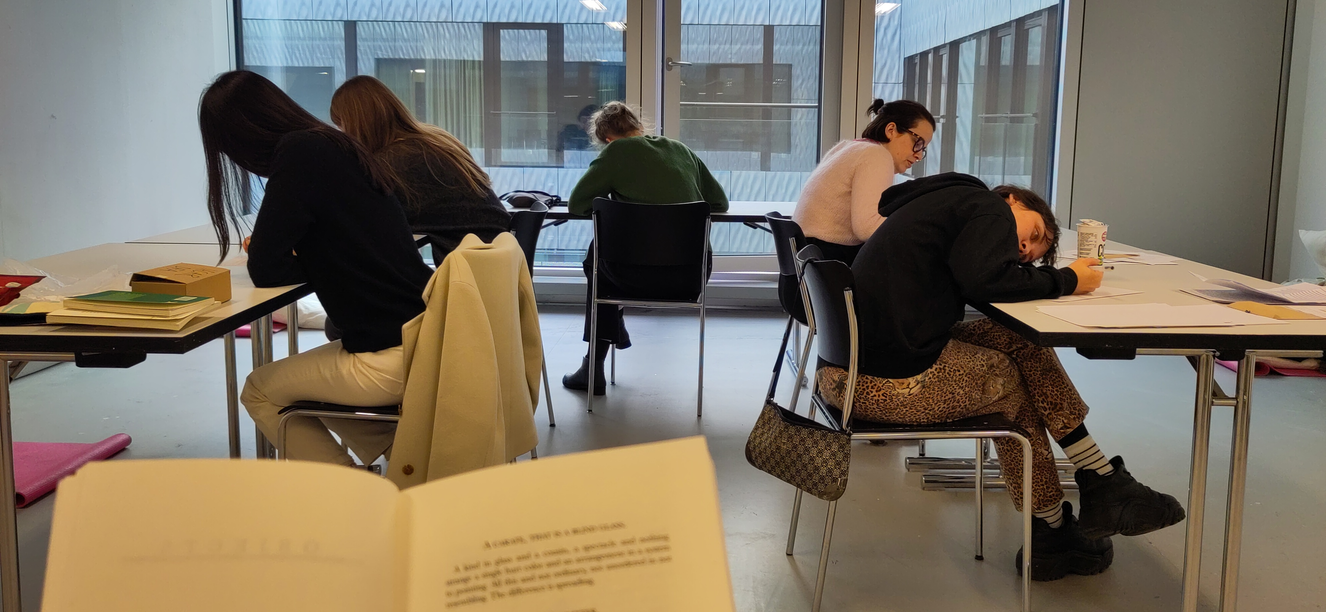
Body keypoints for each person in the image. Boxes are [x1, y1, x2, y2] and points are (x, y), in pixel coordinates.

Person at [816, 173, 1185, 581]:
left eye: (1029, 255)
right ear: (1013, 199)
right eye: (1034, 234)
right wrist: (1069, 280)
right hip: (881, 384)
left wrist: (1034, 275)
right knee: (1010, 388)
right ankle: (1060, 523)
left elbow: (981, 279)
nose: (1024, 249)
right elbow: (986, 280)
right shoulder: (988, 206)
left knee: (1018, 340)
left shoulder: (951, 206)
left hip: (855, 369)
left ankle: (1092, 489)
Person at [199, 70, 433, 466]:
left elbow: (267, 267)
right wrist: (322, 258)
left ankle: (347, 490)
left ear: (241, 139)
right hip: (422, 336)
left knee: (260, 390)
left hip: (387, 354)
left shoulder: (298, 153)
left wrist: (309, 259)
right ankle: (405, 458)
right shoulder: (335, 144)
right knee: (306, 383)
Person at [562, 101, 729, 394]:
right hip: (690, 276)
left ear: (607, 139)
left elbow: (577, 204)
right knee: (600, 257)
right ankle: (611, 332)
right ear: (638, 127)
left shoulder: (615, 153)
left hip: (629, 277)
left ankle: (593, 365)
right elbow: (719, 202)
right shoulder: (681, 150)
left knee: (597, 255)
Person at [330, 75, 510, 264]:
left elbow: (367, 221)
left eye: (342, 126)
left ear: (357, 124)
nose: (344, 135)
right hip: (498, 252)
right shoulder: (433, 138)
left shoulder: (396, 160)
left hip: (475, 263)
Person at [792, 99, 935, 264]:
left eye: (923, 149)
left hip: (810, 259)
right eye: (918, 143)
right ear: (891, 130)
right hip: (830, 259)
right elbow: (867, 228)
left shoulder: (848, 147)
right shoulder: (876, 155)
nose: (918, 155)